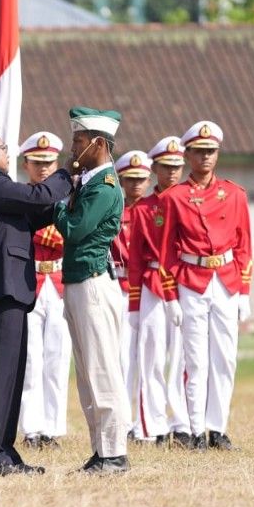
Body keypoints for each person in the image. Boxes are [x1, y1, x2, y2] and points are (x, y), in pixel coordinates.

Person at [0, 120, 72, 476]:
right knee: (0, 375)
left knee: (11, 374)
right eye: (4, 148)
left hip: (8, 288)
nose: (9, 153)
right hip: (1, 287)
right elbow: (37, 197)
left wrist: (62, 203)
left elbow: (31, 215)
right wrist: (67, 175)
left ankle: (5, 451)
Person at [158, 120, 252, 451]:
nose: (206, 158)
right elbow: (166, 250)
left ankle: (218, 427)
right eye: (199, 152)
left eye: (211, 152)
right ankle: (195, 428)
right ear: (188, 155)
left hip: (225, 280)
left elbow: (244, 245)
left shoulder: (235, 194)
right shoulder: (174, 198)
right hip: (191, 281)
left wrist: (244, 291)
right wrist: (169, 296)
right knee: (194, 359)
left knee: (225, 357)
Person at [54, 107, 130, 473]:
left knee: (102, 370)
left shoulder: (105, 186)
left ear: (98, 144)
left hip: (93, 285)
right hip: (79, 282)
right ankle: (101, 449)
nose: (74, 148)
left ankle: (114, 451)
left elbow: (75, 228)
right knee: (87, 373)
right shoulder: (90, 182)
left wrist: (54, 202)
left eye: (79, 141)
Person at [126, 137, 188, 444]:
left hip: (187, 284)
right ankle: (152, 425)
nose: (173, 173)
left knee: (182, 357)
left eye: (178, 166)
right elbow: (135, 258)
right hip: (152, 285)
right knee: (150, 357)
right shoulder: (144, 209)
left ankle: (182, 423)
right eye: (167, 167)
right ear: (156, 169)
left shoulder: (191, 201)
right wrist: (135, 305)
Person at [16, 131, 72, 450]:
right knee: (32, 359)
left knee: (58, 356)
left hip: (60, 282)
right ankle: (32, 428)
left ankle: (52, 427)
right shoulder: (21, 196)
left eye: (49, 162)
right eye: (37, 163)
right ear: (27, 164)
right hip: (31, 279)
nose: (44, 169)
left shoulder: (69, 197)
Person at [112, 150, 151, 439]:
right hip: (121, 288)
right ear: (122, 181)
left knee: (150, 357)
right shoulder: (115, 211)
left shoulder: (155, 211)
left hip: (150, 288)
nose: (136, 185)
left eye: (141, 179)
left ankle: (149, 421)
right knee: (124, 357)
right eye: (130, 179)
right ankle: (125, 422)